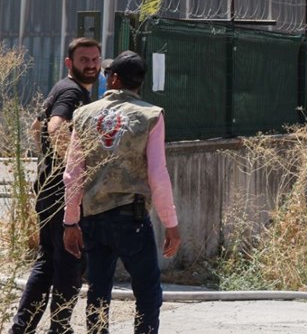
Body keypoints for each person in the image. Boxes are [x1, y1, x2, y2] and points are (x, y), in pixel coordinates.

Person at [62, 51, 181, 334]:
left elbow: (73, 174)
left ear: (114, 78)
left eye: (106, 75)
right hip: (132, 219)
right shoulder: (150, 115)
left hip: (93, 219)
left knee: (98, 291)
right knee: (148, 290)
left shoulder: (83, 114)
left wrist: (70, 221)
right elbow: (158, 175)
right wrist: (171, 224)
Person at [11, 38, 101, 334]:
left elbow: (37, 128)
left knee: (48, 262)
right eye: (84, 60)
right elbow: (53, 126)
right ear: (69, 63)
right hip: (62, 193)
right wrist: (72, 166)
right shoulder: (73, 92)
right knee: (70, 263)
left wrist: (49, 163)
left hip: (48, 190)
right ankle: (60, 327)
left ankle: (21, 328)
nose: (90, 65)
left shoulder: (61, 88)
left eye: (94, 59)